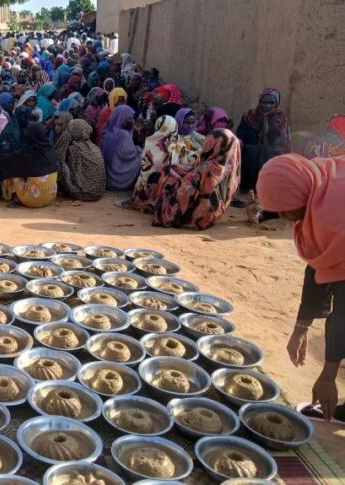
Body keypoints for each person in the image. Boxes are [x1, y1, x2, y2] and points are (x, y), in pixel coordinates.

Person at [256, 154, 345, 421]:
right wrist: (301, 328)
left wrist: (328, 375)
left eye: (285, 208)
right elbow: (319, 267)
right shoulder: (319, 185)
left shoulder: (336, 216)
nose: (283, 216)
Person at [142, 128, 242, 229]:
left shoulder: (206, 168)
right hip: (212, 213)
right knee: (173, 170)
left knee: (164, 176)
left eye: (209, 141)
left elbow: (184, 195)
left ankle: (148, 199)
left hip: (194, 215)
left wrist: (167, 192)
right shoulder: (230, 170)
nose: (206, 144)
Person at [237, 88, 291, 191]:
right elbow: (240, 135)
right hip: (249, 155)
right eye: (264, 102)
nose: (268, 105)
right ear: (259, 102)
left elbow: (271, 142)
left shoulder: (280, 119)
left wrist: (265, 119)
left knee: (262, 152)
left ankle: (262, 187)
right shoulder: (249, 116)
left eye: (271, 102)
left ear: (276, 103)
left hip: (272, 156)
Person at [0, 122, 58, 208]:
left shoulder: (29, 154)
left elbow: (6, 161)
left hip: (32, 200)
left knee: (9, 167)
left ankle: (13, 197)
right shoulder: (50, 150)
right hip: (50, 197)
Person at [124, 115, 178, 210]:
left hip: (149, 187)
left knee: (144, 178)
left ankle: (143, 199)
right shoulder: (179, 143)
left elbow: (145, 167)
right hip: (170, 189)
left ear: (158, 126)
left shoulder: (151, 142)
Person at [54, 119, 106, 201]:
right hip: (98, 192)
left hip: (85, 193)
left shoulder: (74, 149)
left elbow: (59, 158)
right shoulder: (95, 147)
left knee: (60, 165)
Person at [100, 105, 142, 191]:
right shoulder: (123, 134)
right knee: (142, 158)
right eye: (130, 119)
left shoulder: (106, 132)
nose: (133, 122)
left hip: (106, 180)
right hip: (119, 181)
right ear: (122, 119)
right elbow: (131, 155)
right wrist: (139, 150)